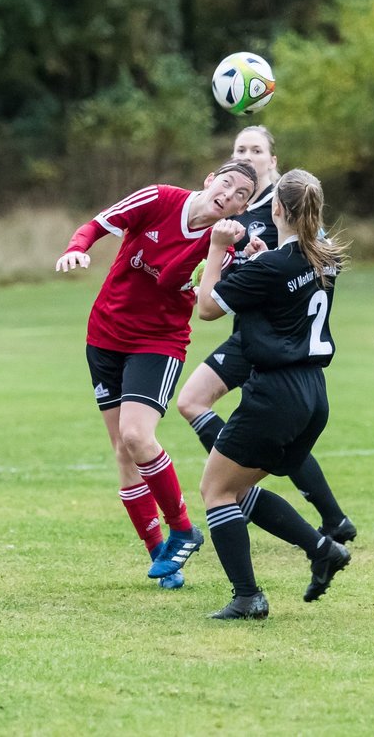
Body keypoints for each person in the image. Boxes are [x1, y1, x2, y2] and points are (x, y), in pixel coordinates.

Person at [55, 160, 259, 589]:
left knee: (137, 436)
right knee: (122, 451)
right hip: (104, 334)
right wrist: (78, 247)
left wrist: (229, 254)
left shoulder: (225, 244)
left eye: (242, 195)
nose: (231, 194)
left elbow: (189, 294)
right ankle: (162, 556)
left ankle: (183, 529)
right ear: (209, 180)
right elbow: (99, 223)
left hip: (158, 344)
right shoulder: (159, 198)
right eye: (227, 184)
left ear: (242, 208)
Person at [176, 126, 357, 544]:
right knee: (196, 404)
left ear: (273, 162)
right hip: (260, 336)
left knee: (265, 434)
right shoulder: (235, 204)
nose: (249, 155)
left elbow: (312, 261)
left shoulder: (290, 205)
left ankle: (239, 489)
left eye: (257, 149)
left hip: (273, 341)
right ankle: (320, 518)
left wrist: (235, 261)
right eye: (240, 148)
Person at [193, 169, 352, 620]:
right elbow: (285, 294)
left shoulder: (271, 266)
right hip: (313, 394)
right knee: (237, 489)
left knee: (216, 490)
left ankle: (247, 596)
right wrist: (259, 260)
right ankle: (322, 548)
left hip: (275, 394)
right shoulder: (325, 257)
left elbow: (206, 308)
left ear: (276, 209)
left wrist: (217, 249)